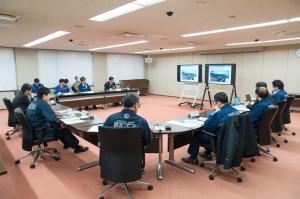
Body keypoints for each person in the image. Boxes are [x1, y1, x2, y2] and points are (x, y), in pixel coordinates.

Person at [182, 92, 239, 165]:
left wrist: (214, 113)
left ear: (218, 102)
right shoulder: (235, 110)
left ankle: (193, 158)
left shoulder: (219, 113)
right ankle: (207, 153)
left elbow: (206, 126)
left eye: (215, 102)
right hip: (233, 137)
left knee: (197, 134)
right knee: (210, 131)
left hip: (221, 139)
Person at [26, 87, 88, 153]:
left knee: (59, 127)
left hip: (33, 130)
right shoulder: (43, 104)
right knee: (65, 130)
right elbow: (53, 119)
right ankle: (77, 148)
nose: (49, 97)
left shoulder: (33, 102)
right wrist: (61, 120)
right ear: (44, 95)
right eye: (49, 95)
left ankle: (67, 143)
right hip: (41, 131)